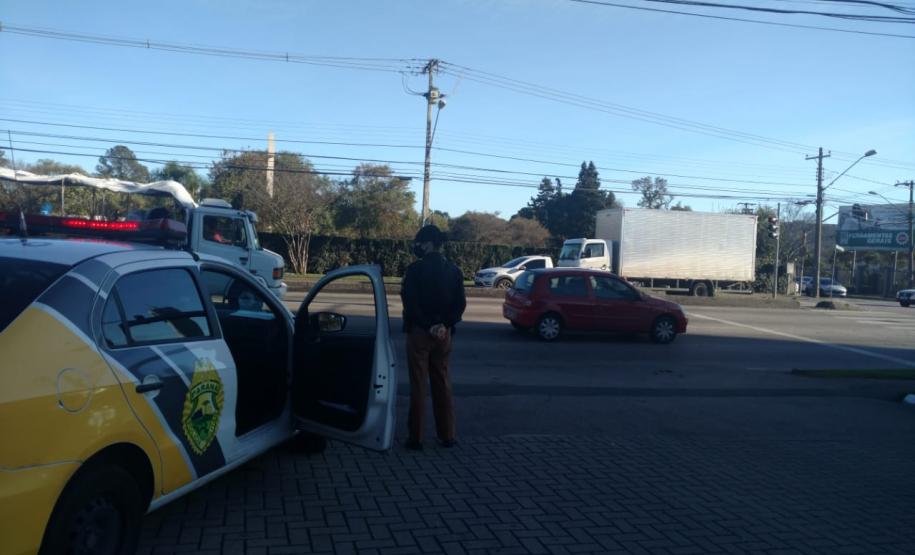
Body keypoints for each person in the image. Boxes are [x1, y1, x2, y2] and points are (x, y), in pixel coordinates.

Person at [401, 225, 466, 450]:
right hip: (444, 335)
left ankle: (416, 437)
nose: (417, 246)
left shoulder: (415, 270)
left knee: (418, 385)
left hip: (420, 333)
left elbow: (410, 304)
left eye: (419, 242)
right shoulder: (453, 270)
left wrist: (428, 325)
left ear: (427, 243)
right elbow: (460, 305)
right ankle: (447, 435)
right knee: (442, 382)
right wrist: (443, 325)